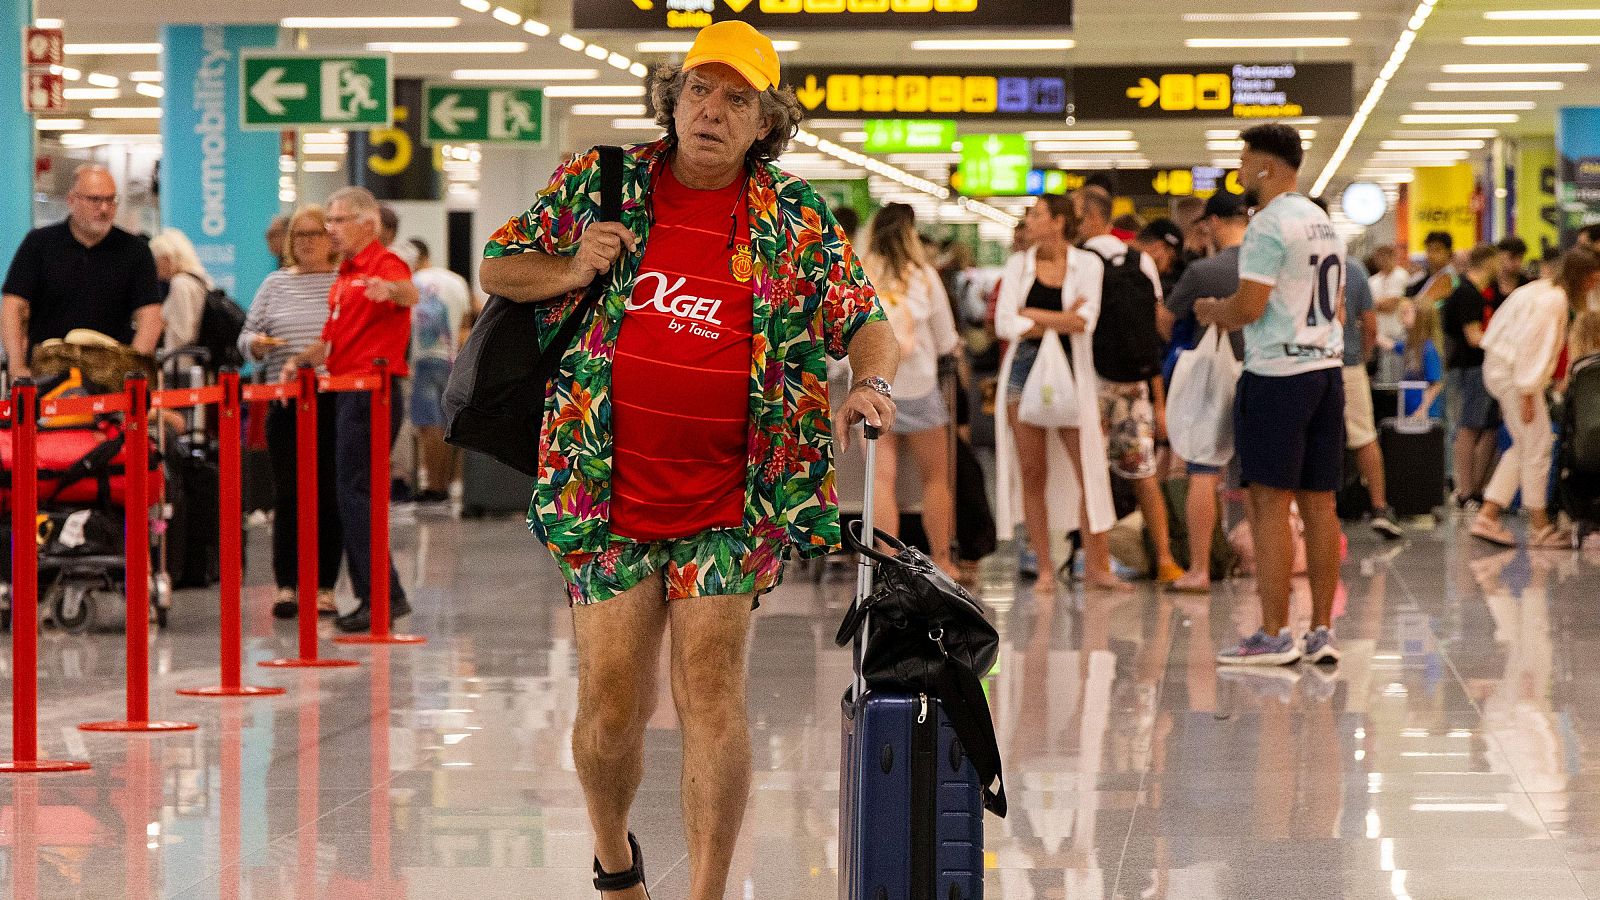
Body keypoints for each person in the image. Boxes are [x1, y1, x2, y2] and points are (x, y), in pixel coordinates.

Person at [476, 22, 897, 900]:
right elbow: (497, 266)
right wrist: (566, 265)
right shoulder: (602, 182)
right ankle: (614, 858)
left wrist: (871, 382)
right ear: (672, 100)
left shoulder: (793, 215)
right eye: (699, 90)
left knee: (712, 689)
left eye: (736, 98)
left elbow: (864, 315)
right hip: (601, 488)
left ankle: (706, 891)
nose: (712, 110)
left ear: (765, 121)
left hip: (735, 495)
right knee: (612, 703)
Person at [1197, 123, 1346, 668]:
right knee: (1321, 506)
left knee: (1269, 507)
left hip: (1277, 375)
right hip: (1326, 372)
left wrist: (1213, 310)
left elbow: (1249, 307)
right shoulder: (1321, 221)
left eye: (1244, 160)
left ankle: (1273, 632)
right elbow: (1339, 307)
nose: (1239, 171)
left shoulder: (1266, 225)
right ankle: (1322, 630)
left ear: (1266, 166)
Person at [280, 186, 417, 634]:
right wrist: (299, 360)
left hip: (371, 394)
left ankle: (379, 598)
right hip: (347, 393)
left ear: (368, 223)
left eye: (339, 221)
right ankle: (382, 595)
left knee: (356, 496)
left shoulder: (383, 263)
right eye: (330, 221)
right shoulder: (344, 275)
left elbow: (408, 292)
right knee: (351, 496)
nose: (330, 229)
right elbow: (332, 341)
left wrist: (389, 290)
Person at [993, 195, 1117, 593]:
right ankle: (1044, 567)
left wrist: (1034, 316)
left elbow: (1086, 322)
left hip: (1073, 376)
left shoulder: (1088, 264)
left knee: (1089, 471)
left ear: (1059, 221)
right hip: (1023, 374)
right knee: (1033, 473)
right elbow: (1004, 324)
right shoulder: (1018, 265)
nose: (1028, 220)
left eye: (1037, 214)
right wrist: (1060, 319)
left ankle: (1098, 566)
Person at [1075, 185, 1186, 584]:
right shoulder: (1142, 262)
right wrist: (1158, 401)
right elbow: (1152, 333)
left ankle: (1095, 563)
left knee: (1090, 477)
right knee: (1144, 476)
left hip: (1089, 385)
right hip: (1134, 387)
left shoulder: (1079, 261)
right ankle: (1166, 559)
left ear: (1090, 218)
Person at [238, 205, 344, 618]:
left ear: (329, 238)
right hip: (283, 401)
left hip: (332, 399)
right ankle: (286, 584)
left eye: (313, 234)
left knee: (329, 492)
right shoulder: (274, 283)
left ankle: (324, 587)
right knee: (288, 492)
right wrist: (256, 346)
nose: (305, 243)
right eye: (298, 235)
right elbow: (245, 336)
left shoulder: (342, 282)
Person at [1471, 248, 1600, 548]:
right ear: (1581, 277)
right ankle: (1539, 525)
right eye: (1593, 279)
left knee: (1525, 444)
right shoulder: (1552, 301)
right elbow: (1533, 345)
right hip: (1516, 377)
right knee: (1538, 443)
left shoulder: (1544, 290)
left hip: (1505, 371)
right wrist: (1529, 391)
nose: (1594, 285)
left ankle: (1489, 514)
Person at [862, 204, 961, 579]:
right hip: (919, 387)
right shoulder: (924, 276)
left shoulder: (861, 272)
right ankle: (942, 558)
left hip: (875, 389)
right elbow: (946, 339)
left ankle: (885, 563)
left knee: (881, 480)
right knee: (935, 478)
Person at [1163, 192, 1249, 593]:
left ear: (1212, 223)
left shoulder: (1202, 271)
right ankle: (1266, 566)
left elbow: (1165, 319)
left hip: (1212, 379)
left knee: (1203, 468)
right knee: (1259, 480)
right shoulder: (1267, 264)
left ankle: (1199, 569)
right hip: (1260, 372)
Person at [2, 164, 162, 373]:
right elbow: (13, 307)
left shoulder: (136, 251)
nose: (104, 208)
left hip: (110, 373)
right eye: (95, 200)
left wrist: (131, 371)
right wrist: (16, 365)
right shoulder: (39, 243)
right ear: (72, 200)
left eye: (110, 200)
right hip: (48, 371)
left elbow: (150, 317)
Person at [1323, 203, 1402, 539]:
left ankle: (1316, 512)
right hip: (1348, 364)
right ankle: (1380, 508)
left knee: (1314, 438)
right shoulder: (1352, 268)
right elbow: (1369, 324)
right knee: (1364, 436)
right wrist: (1364, 356)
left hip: (1302, 365)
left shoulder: (1291, 263)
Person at [403, 238, 471, 504]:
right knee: (448, 424)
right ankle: (449, 483)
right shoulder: (456, 281)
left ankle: (434, 486)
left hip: (424, 358)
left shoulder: (414, 282)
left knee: (428, 425)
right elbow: (467, 322)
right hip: (453, 360)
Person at [1440, 244, 1502, 507]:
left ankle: (1475, 488)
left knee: (1487, 428)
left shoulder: (1476, 293)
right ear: (1488, 262)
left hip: (1478, 368)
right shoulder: (1467, 294)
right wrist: (1505, 342)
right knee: (1468, 427)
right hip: (1469, 369)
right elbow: (1474, 337)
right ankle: (1465, 490)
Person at [148, 228, 213, 352]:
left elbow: (182, 334)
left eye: (157, 260)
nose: (155, 267)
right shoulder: (198, 279)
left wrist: (162, 325)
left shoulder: (180, 284)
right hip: (194, 363)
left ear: (168, 258)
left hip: (181, 364)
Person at [1396, 301, 1444, 423]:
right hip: (1410, 410)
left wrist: (1422, 410)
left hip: (1426, 414)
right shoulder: (1412, 346)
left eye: (1408, 312)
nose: (1403, 316)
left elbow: (1436, 384)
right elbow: (1391, 345)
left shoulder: (1428, 349)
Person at [1493, 237, 1531, 309]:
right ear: (1499, 255)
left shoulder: (1526, 285)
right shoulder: (1490, 283)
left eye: (1520, 258)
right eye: (1512, 257)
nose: (1517, 263)